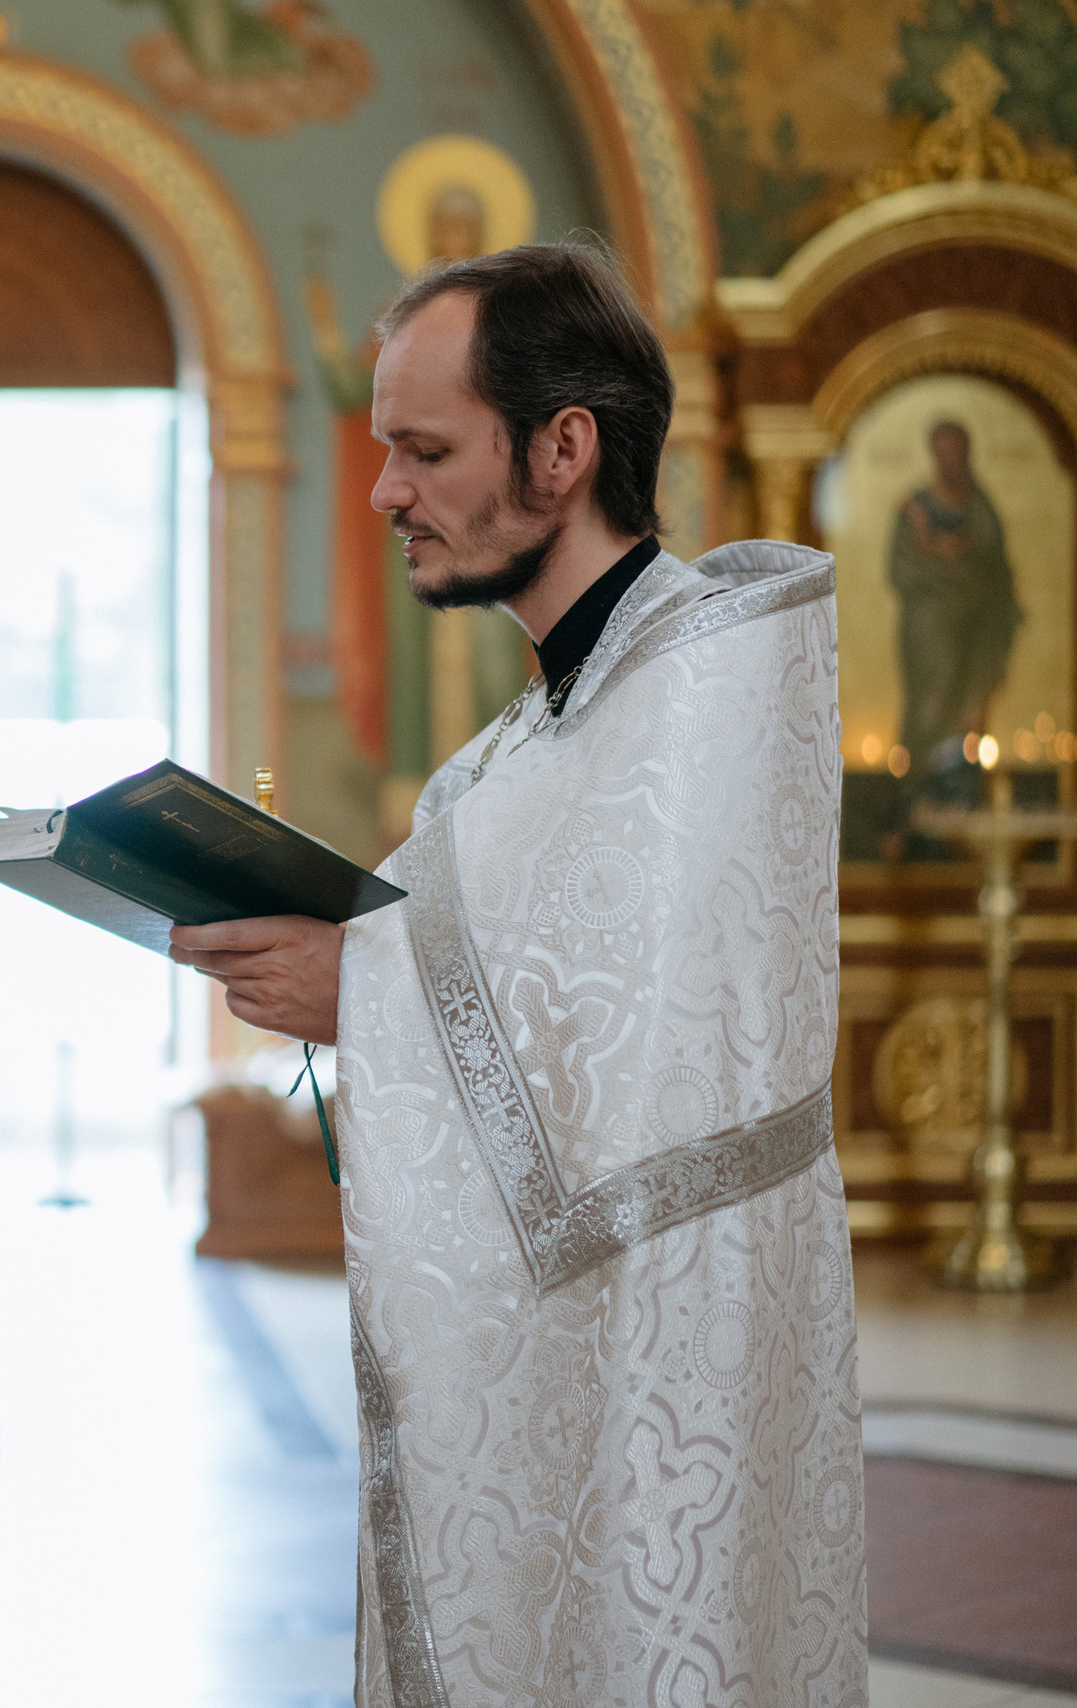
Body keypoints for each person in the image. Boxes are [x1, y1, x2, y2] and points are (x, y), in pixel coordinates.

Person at [172, 245, 865, 1704]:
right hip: (567, 1361)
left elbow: (652, 1056)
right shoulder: (525, 743)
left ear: (565, 449)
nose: (384, 496)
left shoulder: (707, 691)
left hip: (673, 1365)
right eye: (384, 451)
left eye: (424, 451)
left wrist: (357, 990)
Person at [892, 417, 1021, 773]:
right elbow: (900, 571)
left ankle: (961, 784)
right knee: (931, 705)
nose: (951, 461)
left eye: (957, 453)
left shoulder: (980, 507)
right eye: (944, 453)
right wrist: (945, 565)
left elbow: (996, 569)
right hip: (930, 633)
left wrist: (962, 568)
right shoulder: (914, 508)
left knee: (970, 709)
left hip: (976, 630)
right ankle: (919, 786)